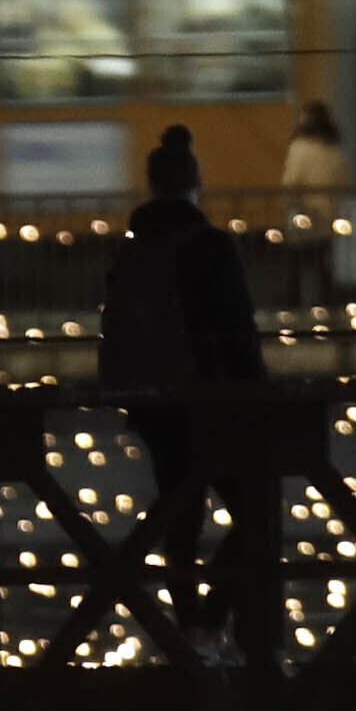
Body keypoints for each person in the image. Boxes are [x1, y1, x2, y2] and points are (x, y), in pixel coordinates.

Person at [99, 134, 271, 655]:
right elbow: (237, 330)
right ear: (197, 185)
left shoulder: (133, 248)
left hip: (155, 405)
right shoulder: (211, 245)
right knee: (256, 513)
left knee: (180, 515)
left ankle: (185, 630)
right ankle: (214, 622)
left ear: (151, 186)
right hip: (211, 399)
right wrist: (256, 392)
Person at [281, 99, 356, 298]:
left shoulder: (300, 148)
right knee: (323, 265)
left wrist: (289, 204)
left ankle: (293, 308)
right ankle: (326, 308)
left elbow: (291, 182)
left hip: (306, 215)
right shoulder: (335, 149)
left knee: (296, 266)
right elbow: (345, 181)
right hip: (330, 215)